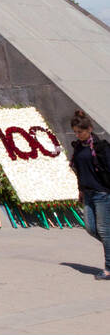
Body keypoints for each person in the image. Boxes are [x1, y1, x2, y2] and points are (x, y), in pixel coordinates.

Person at [69, 109, 110, 280]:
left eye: (80, 132)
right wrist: (80, 190)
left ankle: (108, 268)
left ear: (90, 129)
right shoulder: (78, 148)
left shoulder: (101, 148)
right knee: (90, 228)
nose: (78, 135)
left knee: (104, 230)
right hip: (87, 193)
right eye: (76, 132)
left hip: (102, 193)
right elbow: (79, 170)